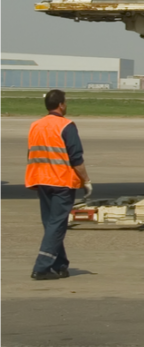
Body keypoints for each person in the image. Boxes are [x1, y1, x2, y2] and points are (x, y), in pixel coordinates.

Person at [25, 89, 92, 280]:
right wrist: (86, 180)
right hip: (61, 181)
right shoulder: (66, 126)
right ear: (61, 105)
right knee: (57, 224)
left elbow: (30, 153)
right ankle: (41, 267)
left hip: (41, 179)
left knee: (51, 223)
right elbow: (76, 158)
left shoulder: (35, 125)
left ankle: (60, 264)